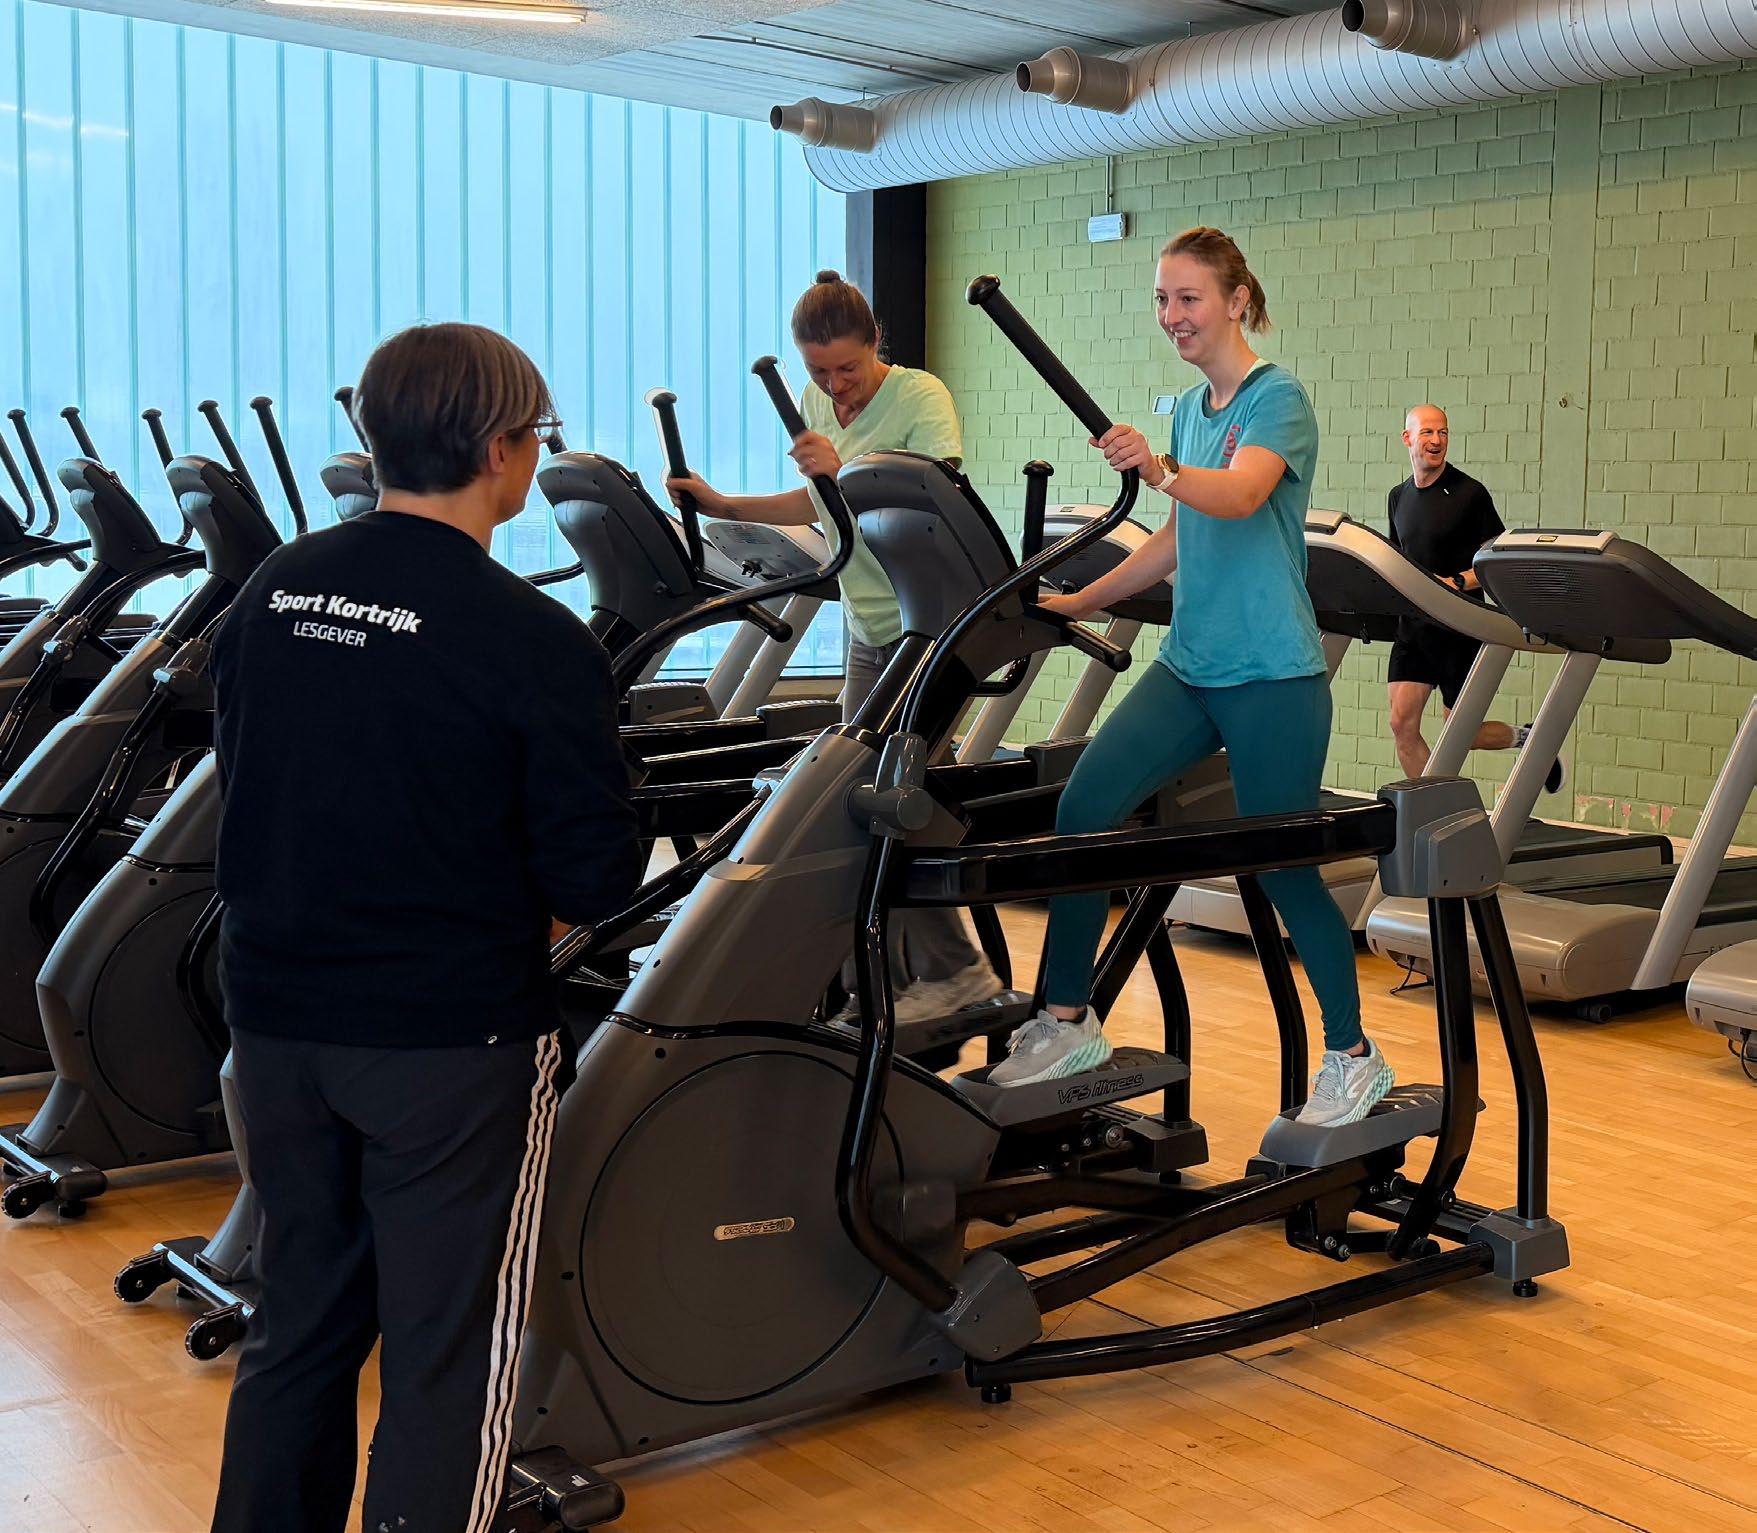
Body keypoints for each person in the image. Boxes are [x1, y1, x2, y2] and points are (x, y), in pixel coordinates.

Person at [208, 323, 642, 1533]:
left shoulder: (274, 589)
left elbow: (258, 780)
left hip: (277, 1026)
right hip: (450, 1050)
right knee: (449, 1359)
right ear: (501, 449)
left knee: (299, 1323)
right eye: (537, 437)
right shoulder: (530, 638)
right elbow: (594, 878)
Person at [993, 227, 1389, 1129]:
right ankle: (1067, 1021)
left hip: (1272, 676)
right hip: (1190, 667)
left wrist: (1161, 468)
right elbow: (1177, 536)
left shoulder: (1275, 397)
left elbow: (1239, 495)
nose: (1172, 315)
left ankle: (1352, 1057)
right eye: (1161, 300)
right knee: (1084, 809)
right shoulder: (1187, 409)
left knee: (1282, 867)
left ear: (1235, 300)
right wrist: (1078, 599)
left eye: (1188, 298)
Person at [665, 269, 1004, 1025]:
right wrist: (723, 502)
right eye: (819, 372)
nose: (835, 386)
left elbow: (926, 495)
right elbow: (820, 501)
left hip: (934, 621)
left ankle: (957, 974)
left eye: (847, 368)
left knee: (895, 796)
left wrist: (839, 469)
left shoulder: (919, 397)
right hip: (868, 623)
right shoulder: (814, 401)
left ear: (876, 341)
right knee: (855, 804)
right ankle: (873, 984)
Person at [1387, 404, 1561, 792]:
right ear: (1407, 438)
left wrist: (1455, 582)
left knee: (1462, 731)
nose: (1436, 440)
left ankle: (1528, 738)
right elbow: (1400, 559)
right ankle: (1432, 812)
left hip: (1458, 625)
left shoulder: (1469, 494)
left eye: (1443, 432)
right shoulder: (1398, 497)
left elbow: (1494, 561)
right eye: (1428, 432)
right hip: (1414, 628)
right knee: (1401, 724)